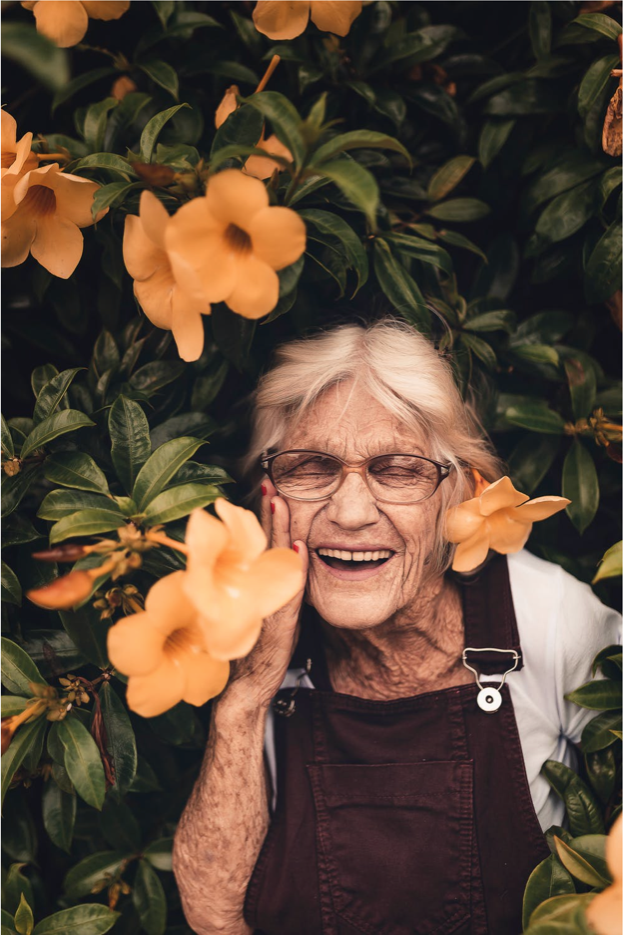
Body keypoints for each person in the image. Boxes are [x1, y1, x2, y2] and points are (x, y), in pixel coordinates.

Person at [171, 318, 622, 935]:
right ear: (270, 494)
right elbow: (213, 917)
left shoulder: (552, 622)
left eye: (399, 469)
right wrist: (247, 694)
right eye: (312, 466)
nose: (350, 512)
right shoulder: (250, 630)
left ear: (456, 493)